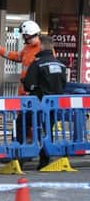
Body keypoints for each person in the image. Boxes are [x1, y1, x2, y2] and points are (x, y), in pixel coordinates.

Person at [22, 35, 67, 169]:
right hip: (53, 106)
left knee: (22, 124)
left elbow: (28, 84)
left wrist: (28, 85)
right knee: (48, 131)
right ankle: (44, 160)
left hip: (38, 104)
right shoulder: (61, 65)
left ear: (41, 46)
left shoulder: (37, 64)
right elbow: (63, 84)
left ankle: (20, 156)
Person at [0, 20, 41, 96]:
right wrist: (0, 49)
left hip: (34, 92)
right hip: (24, 90)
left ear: (28, 35)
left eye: (24, 35)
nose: (23, 38)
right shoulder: (28, 47)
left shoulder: (43, 48)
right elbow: (17, 57)